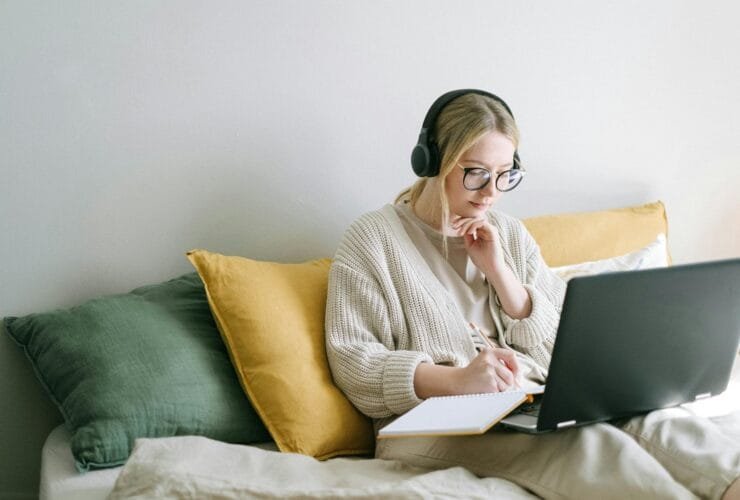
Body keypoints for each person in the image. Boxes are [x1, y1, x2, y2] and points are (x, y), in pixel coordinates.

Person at [324, 89, 740, 499]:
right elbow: (355, 362)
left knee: (663, 423)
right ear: (433, 162)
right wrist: (458, 380)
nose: (491, 192)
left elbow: (562, 343)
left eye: (505, 174)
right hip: (426, 425)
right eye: (476, 172)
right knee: (594, 450)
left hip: (527, 403)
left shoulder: (507, 233)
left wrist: (501, 274)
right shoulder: (371, 240)